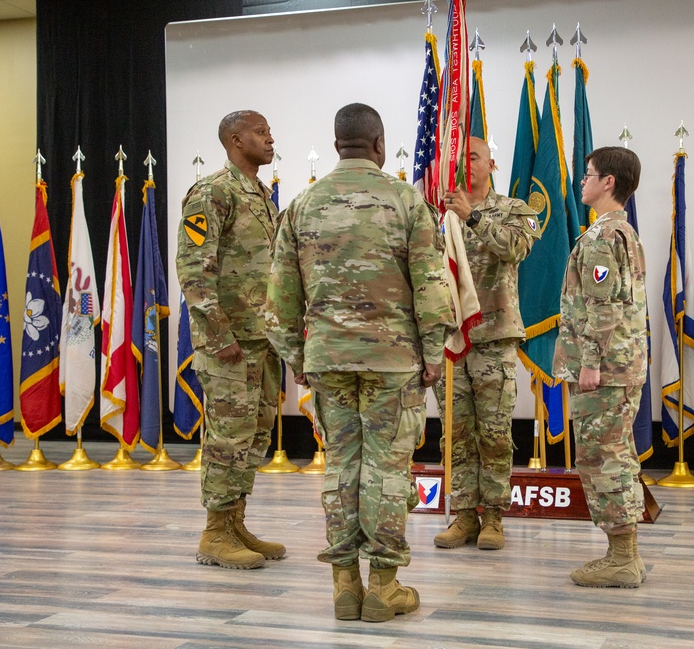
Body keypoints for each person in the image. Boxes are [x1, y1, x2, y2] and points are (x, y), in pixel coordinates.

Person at [266, 103, 453, 622]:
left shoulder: (303, 204)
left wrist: (298, 358)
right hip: (392, 361)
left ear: (335, 145)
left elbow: (279, 297)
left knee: (342, 468)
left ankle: (344, 586)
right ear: (379, 145)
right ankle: (384, 587)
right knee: (387, 470)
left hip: (328, 359)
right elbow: (431, 288)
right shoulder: (406, 201)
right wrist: (433, 355)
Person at [176, 110, 286, 570]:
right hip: (230, 343)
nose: (269, 138)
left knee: (253, 435)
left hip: (261, 341)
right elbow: (193, 270)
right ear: (235, 140)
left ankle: (235, 521)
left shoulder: (261, 194)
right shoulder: (212, 192)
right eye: (261, 132)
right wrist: (219, 335)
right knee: (227, 436)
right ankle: (214, 533)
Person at [432, 136, 540, 550]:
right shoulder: (438, 214)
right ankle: (463, 515)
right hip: (453, 339)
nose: (464, 164)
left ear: (491, 163)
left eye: (472, 156)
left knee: (493, 432)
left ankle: (493, 515)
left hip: (495, 337)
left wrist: (472, 216)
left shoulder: (517, 210)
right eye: (458, 158)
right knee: (455, 432)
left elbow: (516, 249)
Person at [552, 146, 647, 588]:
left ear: (609, 182)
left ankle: (621, 558)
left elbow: (601, 307)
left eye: (589, 174)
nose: (582, 181)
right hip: (618, 367)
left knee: (603, 459)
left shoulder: (604, 237)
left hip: (605, 370)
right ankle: (624, 554)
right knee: (616, 456)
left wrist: (590, 363)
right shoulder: (620, 232)